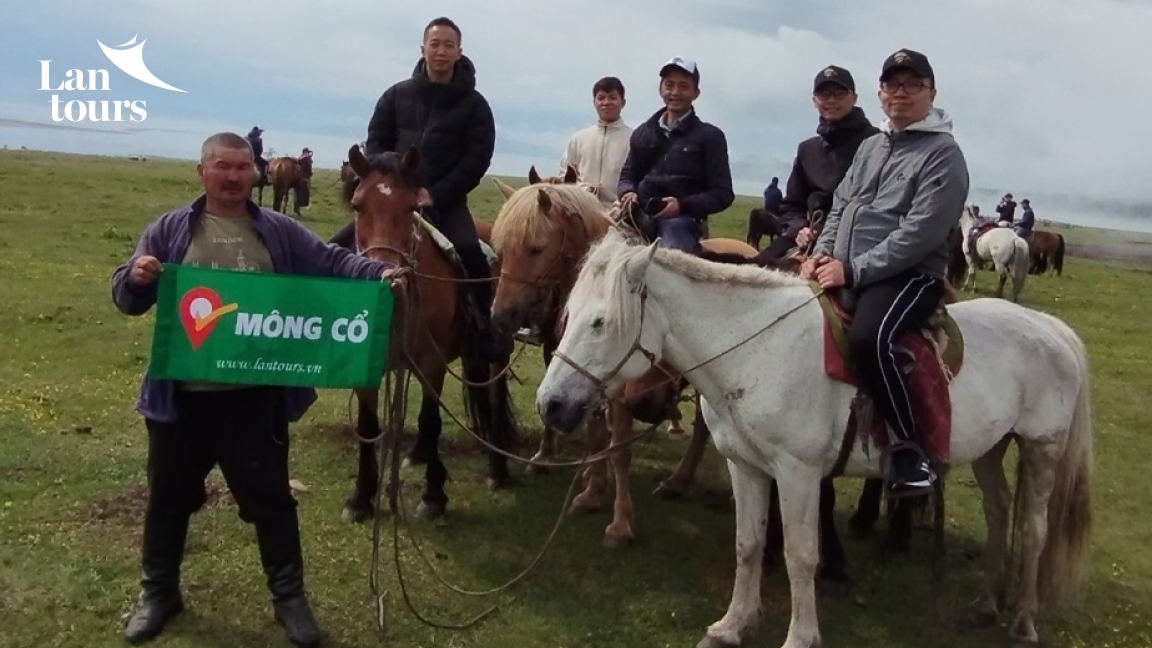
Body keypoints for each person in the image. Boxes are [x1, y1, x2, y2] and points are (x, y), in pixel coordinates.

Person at [111, 132, 400, 647]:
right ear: (203, 171)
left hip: (251, 398)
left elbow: (333, 262)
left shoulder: (280, 232)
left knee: (270, 502)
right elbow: (126, 297)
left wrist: (378, 270)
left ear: (256, 173)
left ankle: (290, 601)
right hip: (179, 399)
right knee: (167, 500)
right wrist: (135, 277)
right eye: (223, 166)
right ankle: (158, 594)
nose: (234, 176)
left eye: (243, 167)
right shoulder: (173, 228)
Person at [803, 48, 969, 496]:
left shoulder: (943, 155)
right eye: (892, 84)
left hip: (909, 275)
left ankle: (910, 453)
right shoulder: (872, 146)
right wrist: (820, 254)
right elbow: (841, 205)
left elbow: (921, 232)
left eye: (912, 84)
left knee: (869, 338)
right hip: (846, 266)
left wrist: (852, 270)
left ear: (931, 93)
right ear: (879, 94)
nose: (901, 93)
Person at [329, 16, 508, 360]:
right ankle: (325, 321)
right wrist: (395, 184)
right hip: (392, 200)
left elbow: (476, 159)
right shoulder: (395, 96)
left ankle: (482, 329)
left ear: (459, 52)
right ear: (423, 48)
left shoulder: (475, 106)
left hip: (446, 200)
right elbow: (376, 141)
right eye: (435, 43)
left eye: (448, 45)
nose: (441, 51)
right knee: (334, 248)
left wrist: (434, 193)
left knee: (471, 250)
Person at [758, 65, 880, 262]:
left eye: (839, 93)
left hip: (857, 241)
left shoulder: (878, 143)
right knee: (755, 274)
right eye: (824, 94)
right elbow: (792, 204)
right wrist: (800, 228)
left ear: (854, 97)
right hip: (809, 238)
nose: (831, 100)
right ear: (815, 101)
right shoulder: (807, 150)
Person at [617, 56, 734, 254]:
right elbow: (628, 175)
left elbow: (723, 194)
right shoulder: (642, 133)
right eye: (669, 85)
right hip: (638, 214)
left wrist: (682, 205)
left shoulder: (710, 137)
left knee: (673, 264)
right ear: (661, 89)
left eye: (683, 86)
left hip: (681, 221)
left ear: (696, 92)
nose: (675, 92)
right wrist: (628, 192)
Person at [558, 76, 632, 206]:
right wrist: (583, 189)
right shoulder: (578, 139)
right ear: (594, 102)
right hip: (582, 211)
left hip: (620, 214)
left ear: (623, 102)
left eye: (613, 98)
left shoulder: (634, 139)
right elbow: (564, 177)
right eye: (601, 98)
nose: (606, 102)